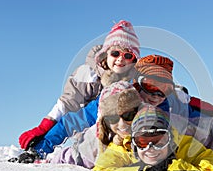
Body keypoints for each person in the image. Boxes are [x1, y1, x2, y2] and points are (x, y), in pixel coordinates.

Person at [18, 20, 140, 151]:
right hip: (91, 130)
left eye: (127, 55)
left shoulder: (135, 83)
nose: (120, 59)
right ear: (106, 54)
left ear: (134, 60)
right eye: (115, 53)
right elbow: (69, 104)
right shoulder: (87, 74)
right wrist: (44, 128)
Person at [93, 104, 213, 171]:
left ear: (170, 140)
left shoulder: (182, 143)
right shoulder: (124, 148)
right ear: (133, 143)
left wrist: (176, 168)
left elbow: (209, 163)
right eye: (142, 142)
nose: (151, 148)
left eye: (159, 141)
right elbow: (101, 170)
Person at [50, 81, 142, 168]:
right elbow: (70, 157)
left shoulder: (148, 130)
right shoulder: (95, 141)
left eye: (128, 115)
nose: (122, 124)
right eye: (113, 118)